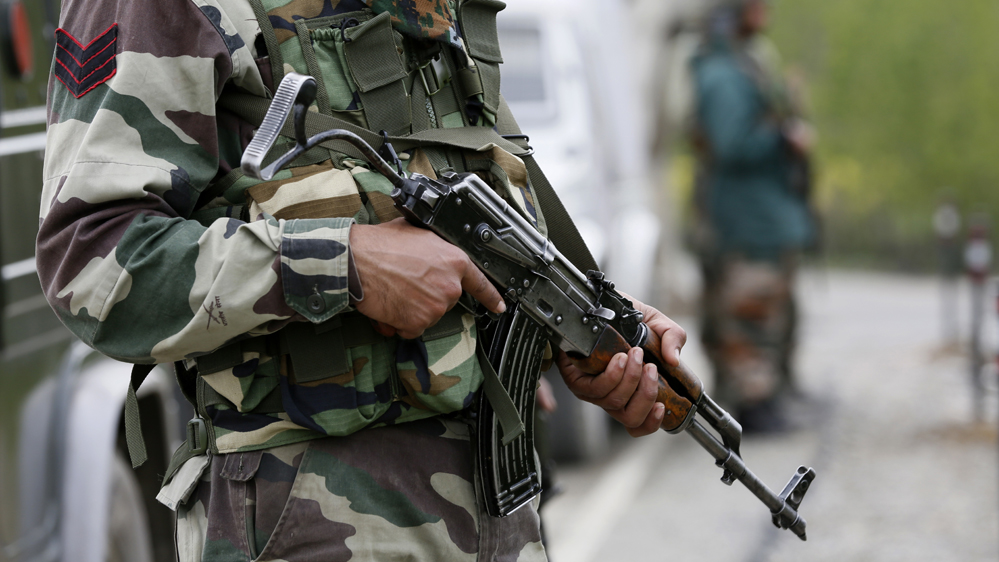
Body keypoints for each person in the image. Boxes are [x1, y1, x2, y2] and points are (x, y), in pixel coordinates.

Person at [38, 0, 687, 560]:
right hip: (311, 519)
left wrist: (572, 321)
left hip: (499, 512)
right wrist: (345, 265)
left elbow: (457, 205)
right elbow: (90, 259)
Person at [690, 0, 815, 432]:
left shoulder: (739, 63)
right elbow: (732, 143)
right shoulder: (724, 74)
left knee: (760, 310)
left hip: (757, 213)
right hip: (747, 219)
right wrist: (783, 138)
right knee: (750, 311)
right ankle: (753, 406)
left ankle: (758, 399)